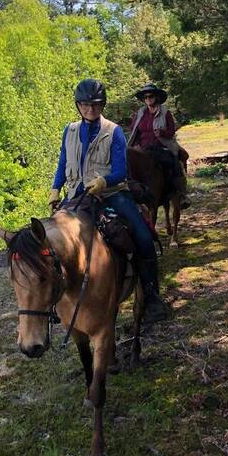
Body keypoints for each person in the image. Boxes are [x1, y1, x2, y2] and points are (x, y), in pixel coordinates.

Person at [48, 78, 166, 324]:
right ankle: (52, 300)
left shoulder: (113, 131)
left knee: (143, 236)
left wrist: (104, 181)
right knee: (50, 242)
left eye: (96, 105)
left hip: (111, 194)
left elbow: (121, 171)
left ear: (103, 105)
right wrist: (55, 188)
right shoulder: (68, 131)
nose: (90, 109)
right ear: (78, 105)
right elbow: (62, 162)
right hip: (76, 197)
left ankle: (153, 295)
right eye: (85, 105)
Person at [127, 82, 190, 209]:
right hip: (143, 148)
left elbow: (172, 131)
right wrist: (136, 143)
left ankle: (180, 194)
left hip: (161, 147)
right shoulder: (140, 113)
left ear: (156, 97)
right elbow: (133, 129)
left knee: (174, 162)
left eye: (150, 96)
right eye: (146, 97)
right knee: (129, 164)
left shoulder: (165, 112)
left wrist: (162, 133)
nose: (148, 99)